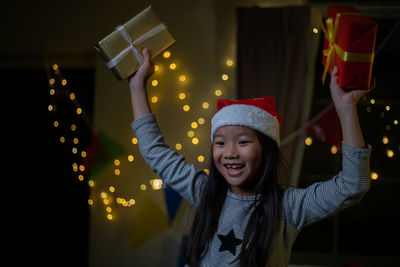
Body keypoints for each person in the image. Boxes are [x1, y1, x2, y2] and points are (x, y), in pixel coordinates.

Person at [128, 48, 371, 267]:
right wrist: (137, 86)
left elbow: (352, 185)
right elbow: (155, 152)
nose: (230, 153)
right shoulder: (205, 192)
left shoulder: (289, 207)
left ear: (267, 150)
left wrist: (346, 108)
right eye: (220, 143)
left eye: (243, 142)